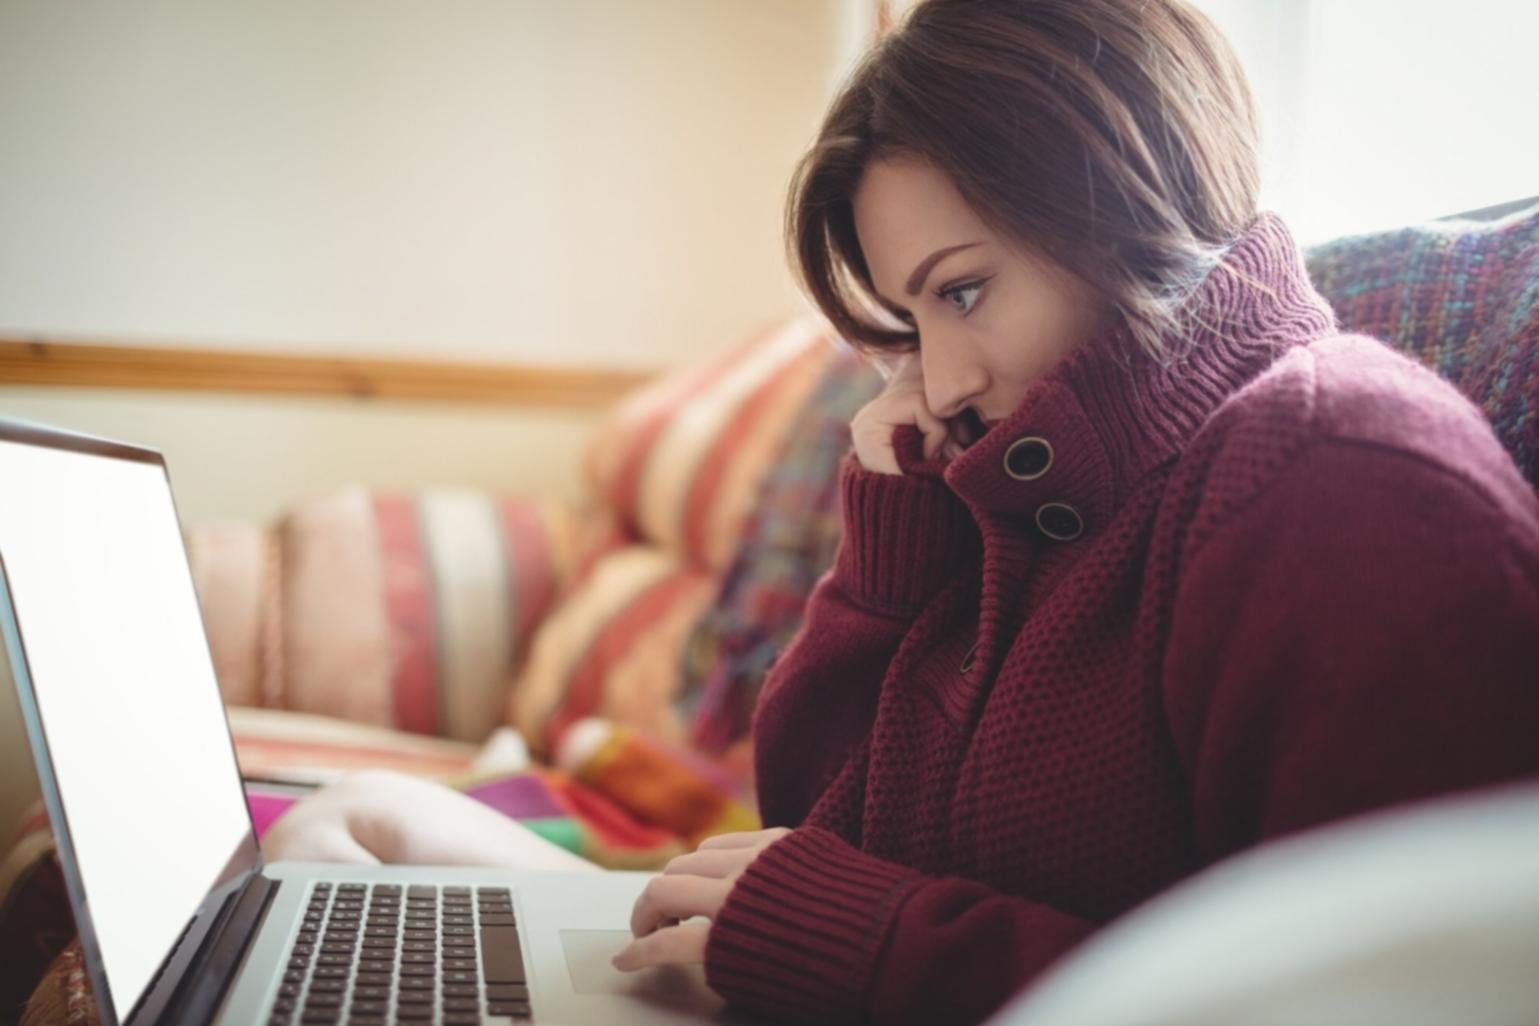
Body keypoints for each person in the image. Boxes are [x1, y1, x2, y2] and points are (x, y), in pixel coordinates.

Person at [608, 1, 1539, 1023]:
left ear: (1114, 204)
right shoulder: (1024, 486)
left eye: (963, 292)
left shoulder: (1343, 480)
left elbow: (1368, 1003)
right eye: (909, 323)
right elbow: (809, 834)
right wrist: (891, 559)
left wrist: (883, 949)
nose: (942, 382)